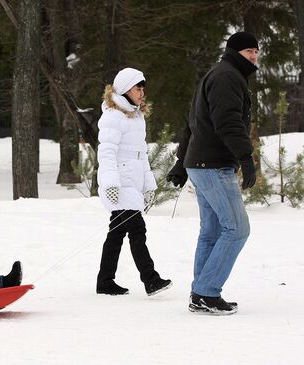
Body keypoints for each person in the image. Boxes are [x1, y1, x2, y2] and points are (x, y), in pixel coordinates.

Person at [167, 31, 259, 315]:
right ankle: (207, 292)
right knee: (237, 229)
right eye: (248, 52)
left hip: (201, 163)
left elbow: (192, 123)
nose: (254, 56)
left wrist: (182, 163)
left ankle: (201, 293)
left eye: (256, 51)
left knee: (213, 231)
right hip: (214, 164)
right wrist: (246, 157)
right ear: (234, 52)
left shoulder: (217, 74)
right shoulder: (227, 77)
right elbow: (227, 122)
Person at [95, 67, 172, 296]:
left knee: (117, 232)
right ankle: (150, 279)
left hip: (133, 182)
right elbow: (106, 152)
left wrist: (148, 186)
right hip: (121, 184)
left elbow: (142, 154)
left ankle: (105, 281)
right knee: (137, 229)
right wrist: (110, 184)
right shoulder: (113, 115)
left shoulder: (136, 116)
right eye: (138, 87)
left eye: (142, 88)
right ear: (126, 88)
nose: (142, 92)